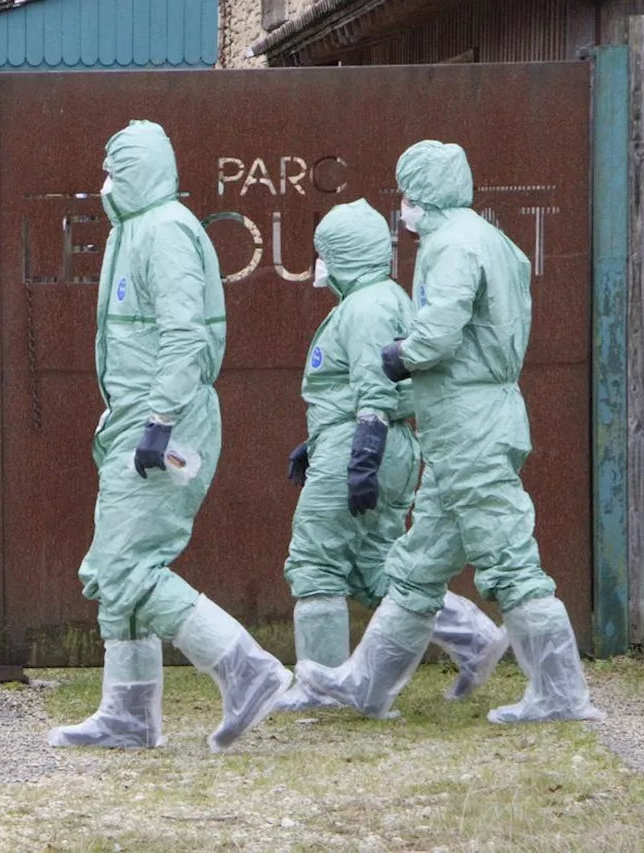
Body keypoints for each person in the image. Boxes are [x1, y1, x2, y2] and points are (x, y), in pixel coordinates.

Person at [296, 141, 602, 723]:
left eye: (407, 195)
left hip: (469, 425)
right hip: (467, 424)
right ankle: (366, 685)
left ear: (424, 193)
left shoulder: (450, 245)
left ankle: (561, 693)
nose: (403, 209)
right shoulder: (492, 240)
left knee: (509, 556)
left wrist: (397, 356)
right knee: (417, 563)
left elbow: (438, 331)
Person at [47, 120, 291, 753]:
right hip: (134, 418)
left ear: (138, 173)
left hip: (166, 420)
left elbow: (186, 337)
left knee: (127, 566)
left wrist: (159, 421)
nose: (104, 184)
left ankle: (247, 669)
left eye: (114, 171)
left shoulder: (167, 232)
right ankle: (128, 715)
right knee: (113, 570)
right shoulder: (135, 232)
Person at [276, 198, 508, 712]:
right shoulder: (379, 299)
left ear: (342, 253)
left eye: (323, 253)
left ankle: (322, 689)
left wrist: (359, 454)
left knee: (315, 559)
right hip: (379, 445)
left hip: (364, 444)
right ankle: (473, 636)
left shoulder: (365, 307)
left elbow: (373, 387)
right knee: (377, 566)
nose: (318, 264)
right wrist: (318, 443)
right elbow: (357, 386)